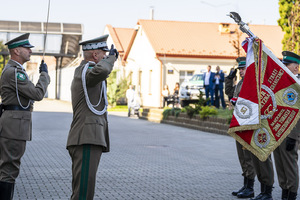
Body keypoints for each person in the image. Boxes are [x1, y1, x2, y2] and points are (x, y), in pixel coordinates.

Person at [66, 34, 118, 200]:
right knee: (83, 194)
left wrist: (108, 59)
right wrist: (111, 59)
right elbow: (103, 69)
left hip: (89, 137)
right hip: (86, 138)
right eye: (103, 53)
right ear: (95, 55)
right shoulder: (85, 71)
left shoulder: (89, 72)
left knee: (85, 191)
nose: (106, 57)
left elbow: (102, 72)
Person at [0, 33, 50, 199]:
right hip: (14, 125)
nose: (30, 50)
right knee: (9, 169)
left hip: (15, 123)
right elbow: (37, 94)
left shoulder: (16, 71)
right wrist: (44, 76)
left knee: (9, 167)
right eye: (26, 48)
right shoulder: (15, 72)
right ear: (16, 51)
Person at [226, 57, 256, 198]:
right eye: (239, 69)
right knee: (242, 157)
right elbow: (229, 93)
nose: (241, 71)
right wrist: (229, 79)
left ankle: (250, 187)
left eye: (243, 69)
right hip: (239, 124)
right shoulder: (239, 84)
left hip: (246, 125)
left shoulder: (251, 84)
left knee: (248, 157)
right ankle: (245, 184)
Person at [273, 51, 300, 200]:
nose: (283, 68)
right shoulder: (283, 83)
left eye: (287, 65)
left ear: (296, 67)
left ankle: (292, 194)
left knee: (290, 166)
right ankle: (284, 191)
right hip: (277, 131)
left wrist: (294, 136)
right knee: (280, 165)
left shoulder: (298, 86)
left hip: (290, 133)